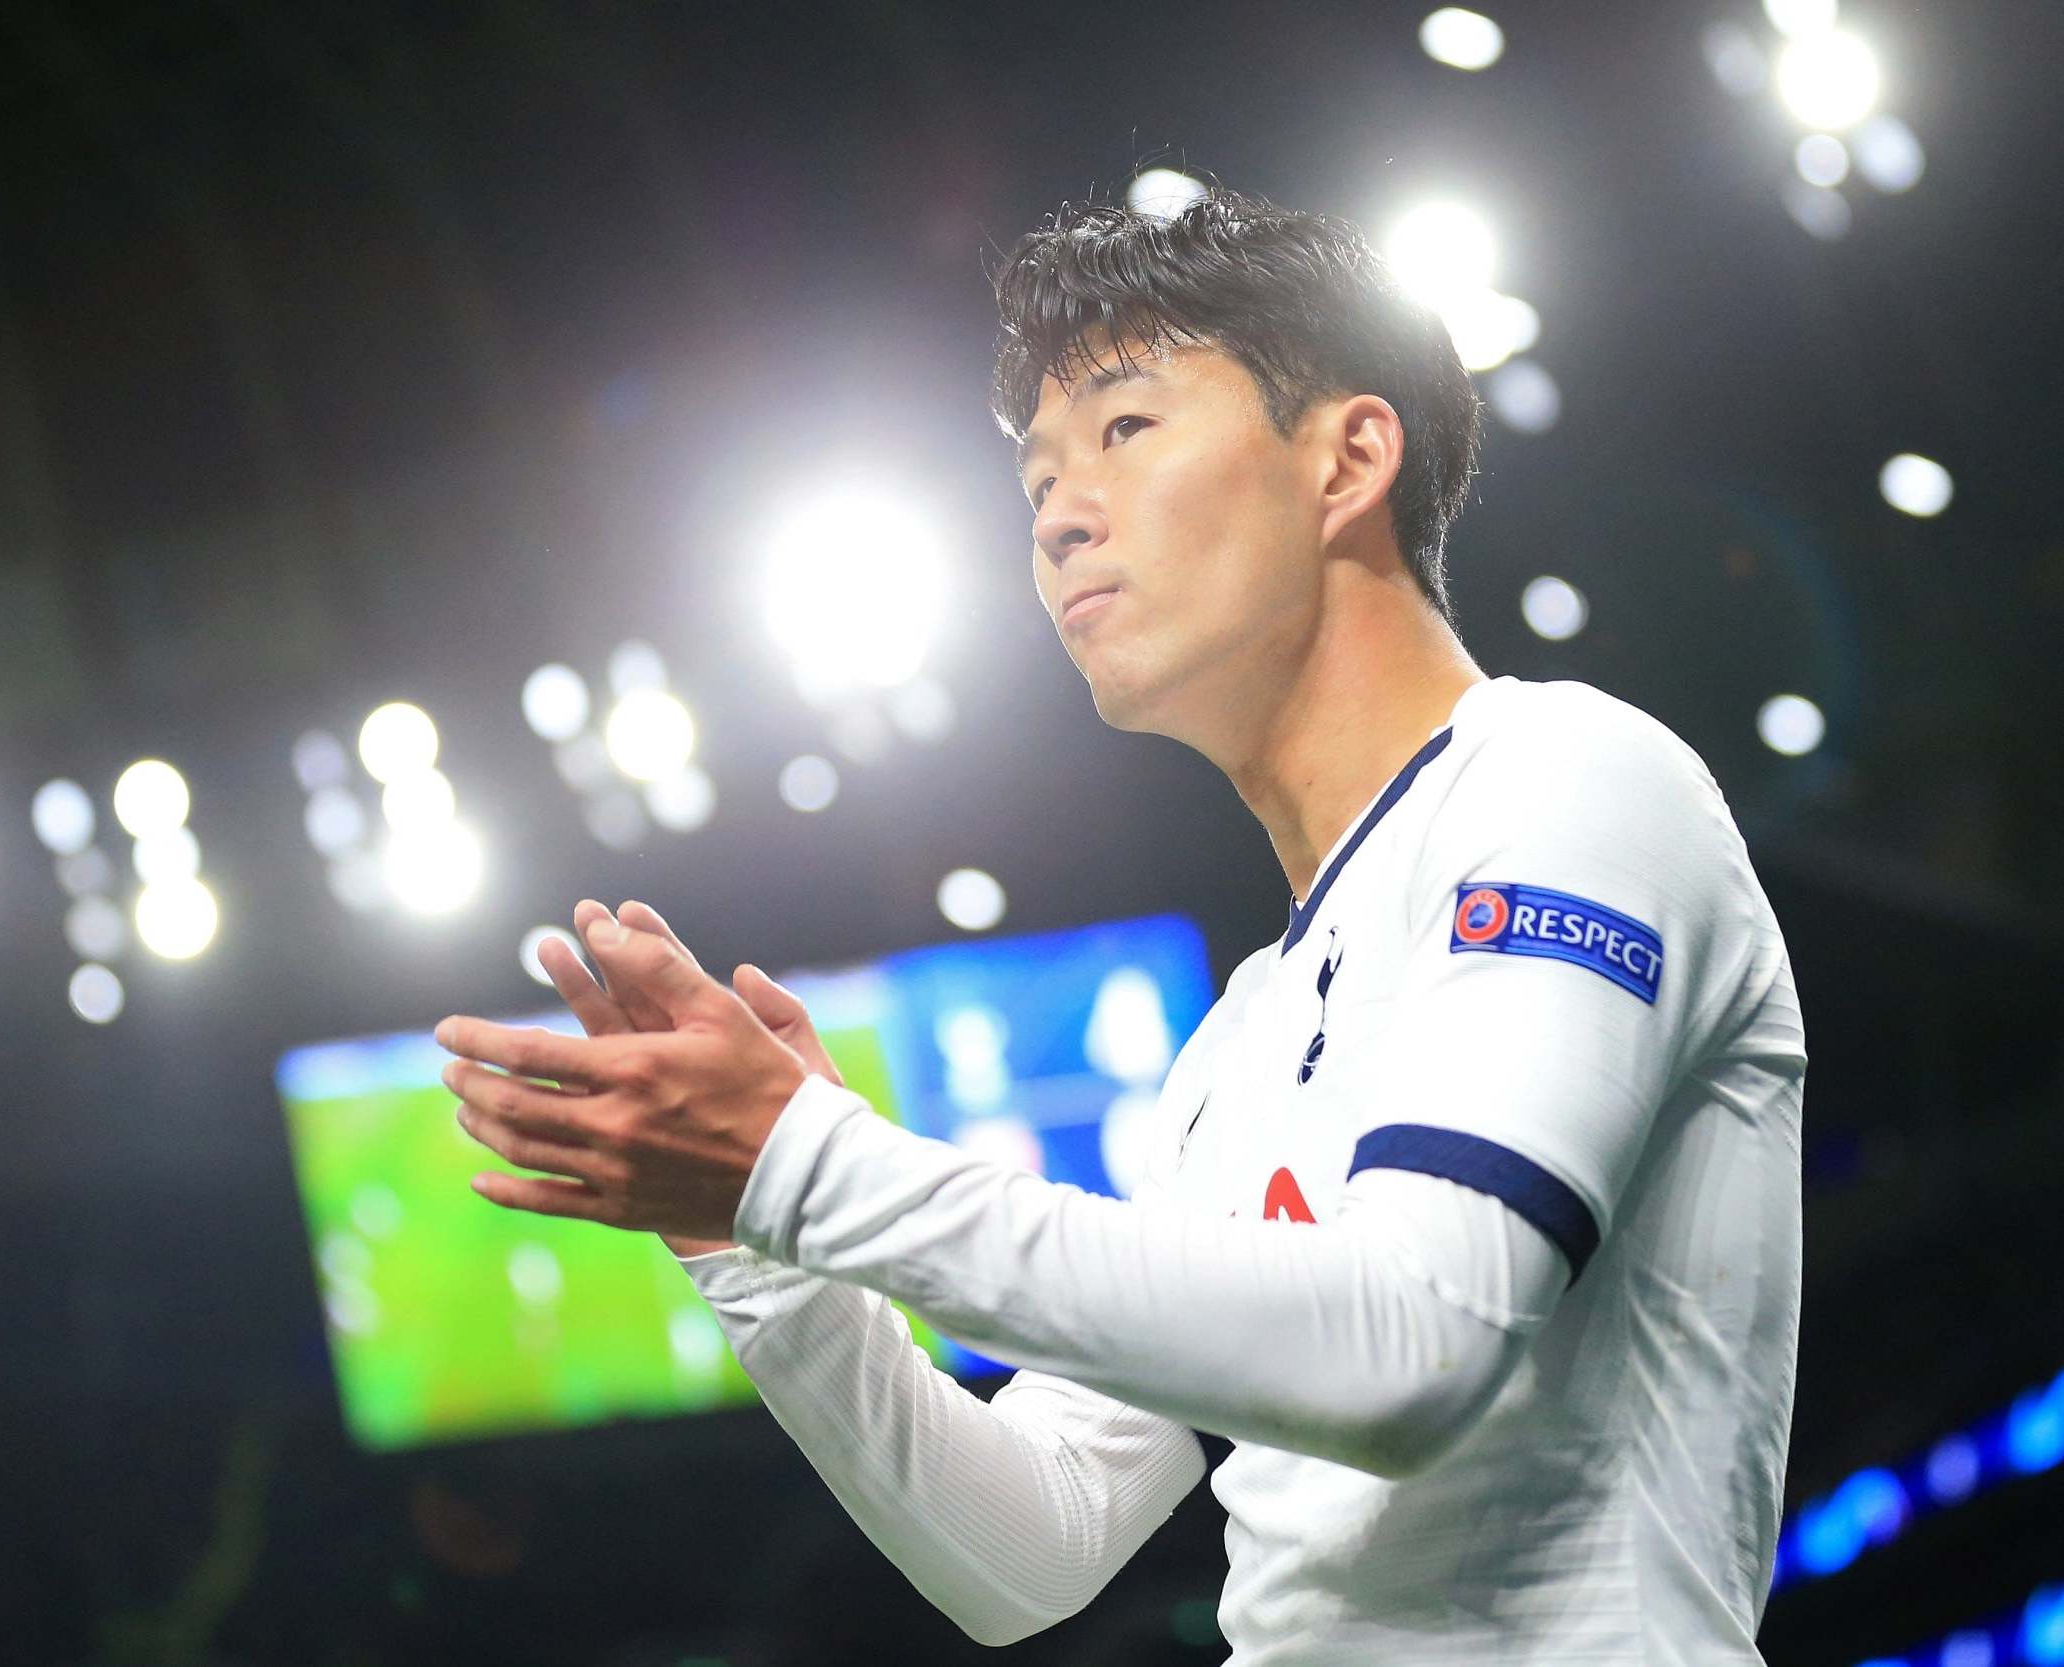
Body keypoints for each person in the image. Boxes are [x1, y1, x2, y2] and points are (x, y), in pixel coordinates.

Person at [434, 188, 1805, 1663]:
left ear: (1347, 456)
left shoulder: (1566, 777)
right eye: (1033, 479)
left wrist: (816, 1165)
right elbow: (1026, 1552)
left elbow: (1416, 1341)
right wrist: (759, 1245)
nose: (1058, 511)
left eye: (1124, 430)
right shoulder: (1237, 1043)